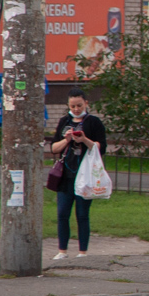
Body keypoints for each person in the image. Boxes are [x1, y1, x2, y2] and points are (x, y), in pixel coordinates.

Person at [48, 87, 107, 260]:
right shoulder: (63, 121)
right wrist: (66, 140)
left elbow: (100, 147)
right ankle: (62, 251)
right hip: (65, 175)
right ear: (68, 105)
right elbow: (53, 148)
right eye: (73, 106)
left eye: (79, 105)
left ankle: (82, 252)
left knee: (82, 214)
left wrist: (84, 140)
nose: (76, 109)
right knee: (62, 214)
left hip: (86, 176)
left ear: (86, 103)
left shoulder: (93, 122)